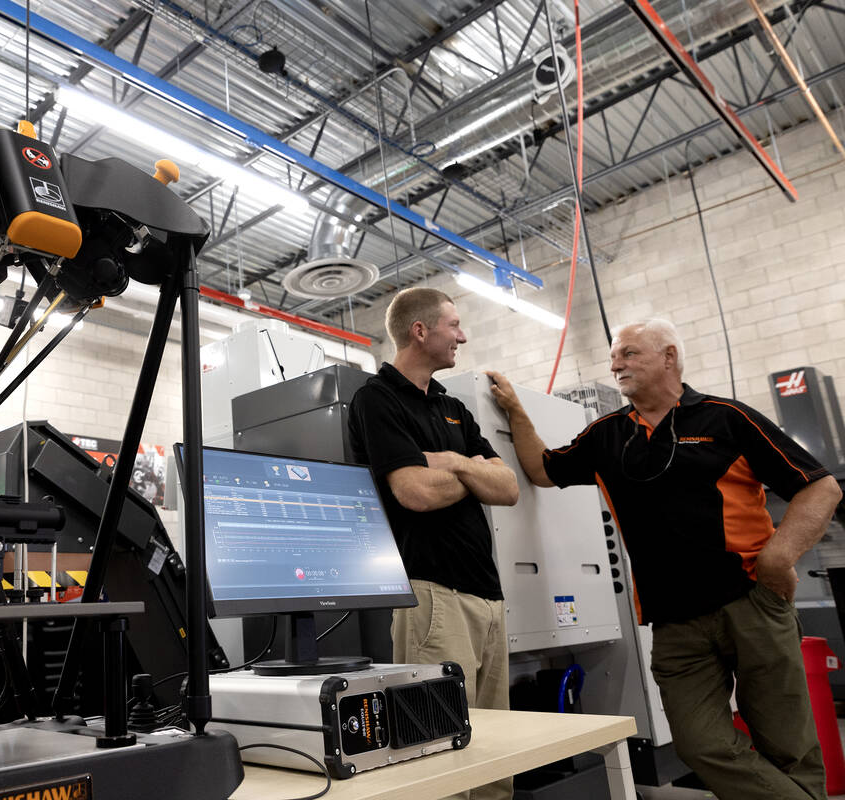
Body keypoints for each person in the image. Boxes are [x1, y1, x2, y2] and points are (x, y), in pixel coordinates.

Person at [487, 318, 842, 800]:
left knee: (788, 746)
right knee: (700, 745)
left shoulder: (727, 418)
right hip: (673, 624)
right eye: (614, 356)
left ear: (669, 356)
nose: (616, 364)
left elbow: (819, 486)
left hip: (751, 604)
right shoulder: (607, 435)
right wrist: (513, 409)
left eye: (629, 353)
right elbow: (543, 470)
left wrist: (780, 556)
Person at [348, 287, 519, 800]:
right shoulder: (375, 400)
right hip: (433, 600)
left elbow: (507, 487)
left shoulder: (453, 407)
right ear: (420, 331)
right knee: (439, 760)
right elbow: (415, 492)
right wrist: (474, 471)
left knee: (496, 758)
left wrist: (452, 461)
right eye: (454, 325)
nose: (462, 336)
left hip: (488, 600)